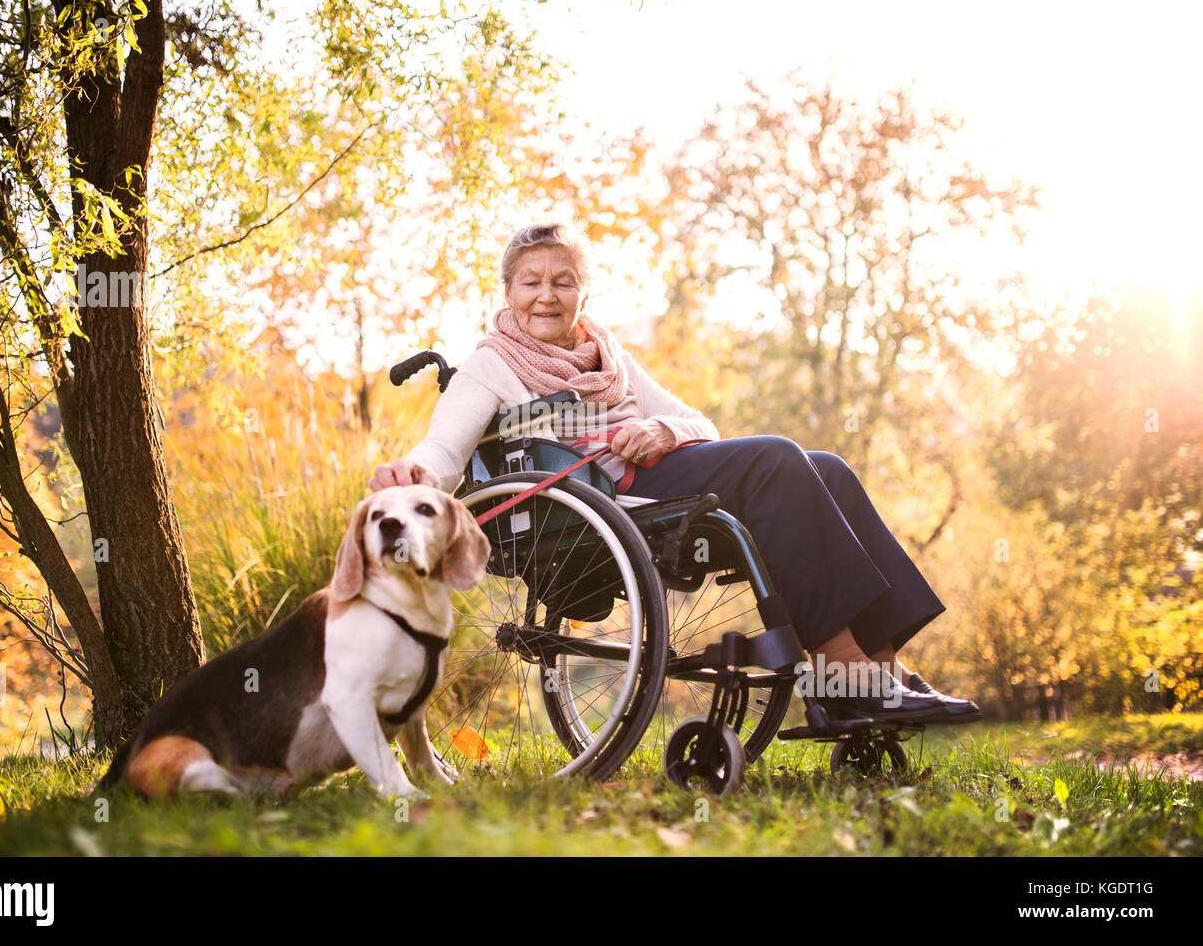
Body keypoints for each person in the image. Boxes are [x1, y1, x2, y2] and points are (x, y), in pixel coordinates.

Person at [371, 223, 979, 723]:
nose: (546, 296)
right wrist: (412, 476)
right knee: (777, 458)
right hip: (596, 500)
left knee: (829, 470)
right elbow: (443, 451)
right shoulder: (491, 367)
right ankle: (842, 672)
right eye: (531, 282)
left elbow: (697, 422)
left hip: (659, 473)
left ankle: (882, 667)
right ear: (508, 293)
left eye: (563, 282)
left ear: (584, 294)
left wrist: (660, 431)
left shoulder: (611, 358)